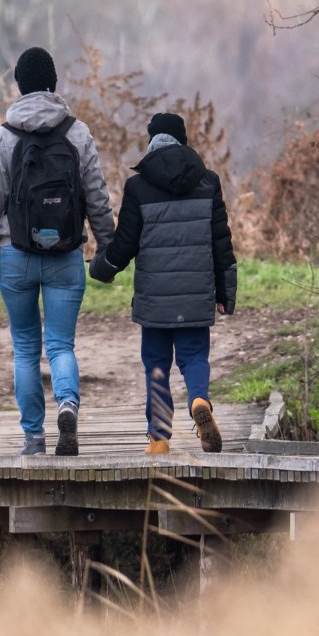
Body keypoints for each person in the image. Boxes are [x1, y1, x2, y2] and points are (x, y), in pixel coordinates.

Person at [0, 47, 116, 456]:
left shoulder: (4, 137)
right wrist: (109, 255)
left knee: (25, 348)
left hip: (15, 258)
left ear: (19, 87)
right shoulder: (77, 134)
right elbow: (97, 199)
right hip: (65, 257)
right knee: (61, 345)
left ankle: (34, 438)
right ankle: (67, 404)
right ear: (53, 83)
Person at [88, 112, 237, 454]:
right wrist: (225, 293)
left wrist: (102, 268)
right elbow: (221, 244)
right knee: (194, 356)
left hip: (155, 299)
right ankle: (200, 400)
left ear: (152, 140)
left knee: (156, 363)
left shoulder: (139, 186)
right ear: (183, 141)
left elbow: (124, 244)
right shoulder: (209, 181)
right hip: (196, 294)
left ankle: (158, 438)